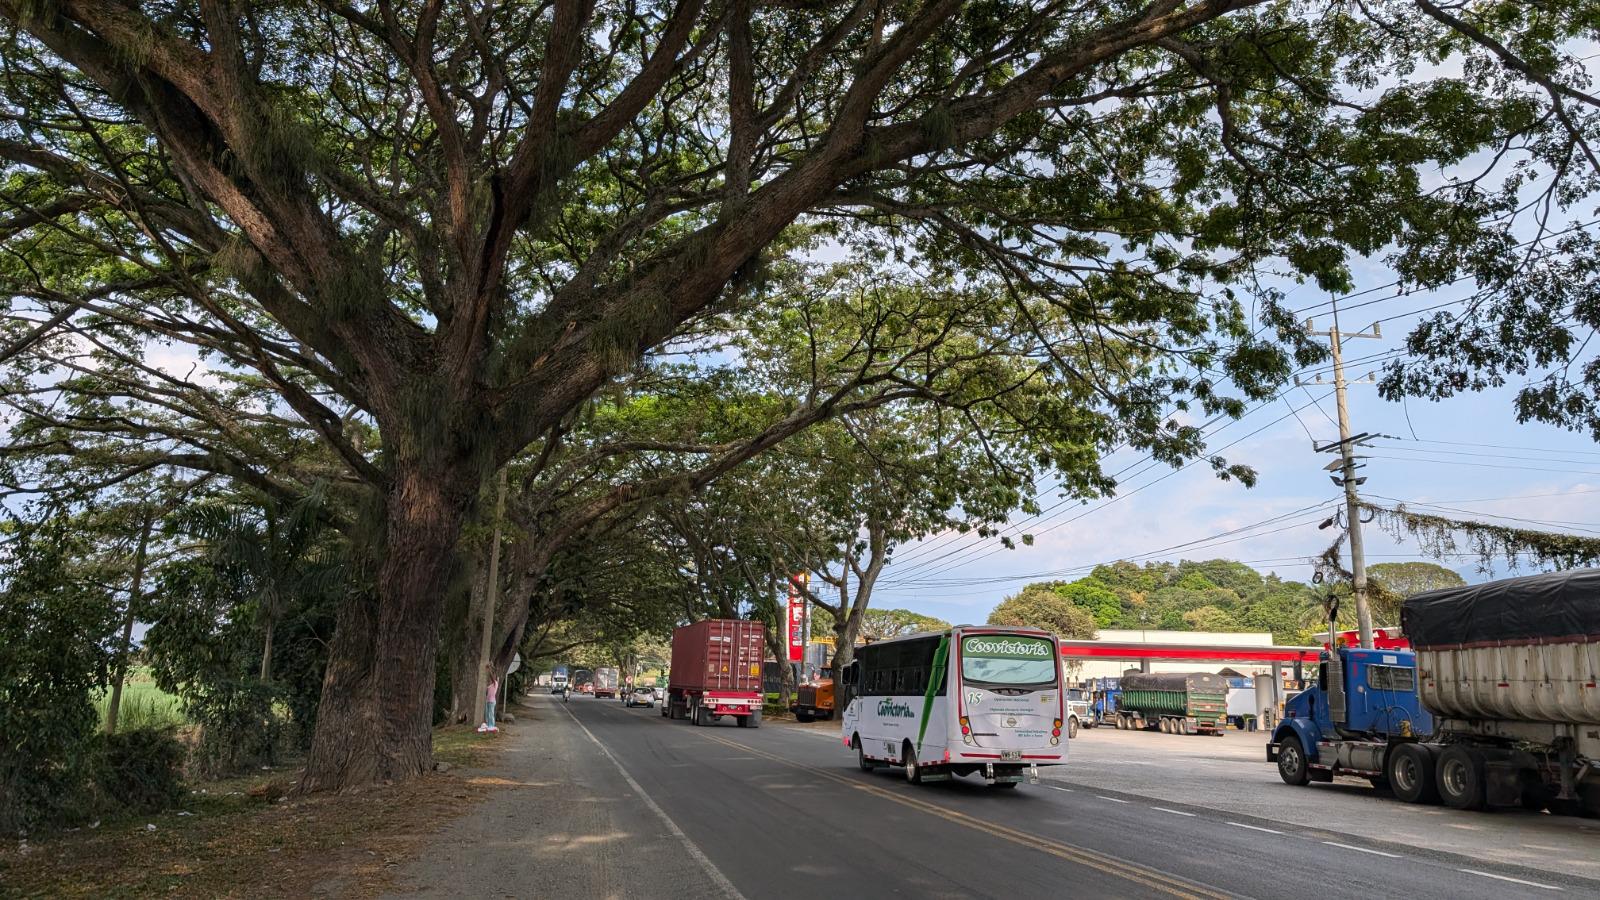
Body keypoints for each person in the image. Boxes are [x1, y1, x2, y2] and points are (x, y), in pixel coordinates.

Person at [477, 666, 500, 733]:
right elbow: (487, 693)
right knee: (487, 714)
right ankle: (488, 725)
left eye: (494, 675)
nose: (493, 677)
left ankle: (492, 725)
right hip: (487, 701)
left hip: (492, 701)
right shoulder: (490, 685)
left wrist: (489, 670)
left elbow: (492, 677)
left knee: (491, 714)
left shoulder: (495, 683)